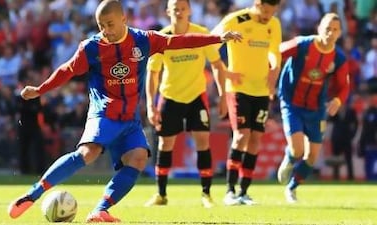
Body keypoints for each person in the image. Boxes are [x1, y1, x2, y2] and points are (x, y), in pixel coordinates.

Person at [7, 0, 242, 223]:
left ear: (124, 19)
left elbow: (179, 41)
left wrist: (217, 38)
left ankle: (100, 210)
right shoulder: (91, 47)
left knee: (138, 158)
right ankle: (32, 194)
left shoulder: (143, 40)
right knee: (88, 154)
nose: (106, 30)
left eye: (110, 24)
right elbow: (67, 70)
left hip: (130, 120)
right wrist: (40, 89)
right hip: (104, 115)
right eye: (101, 26)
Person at [143, 0, 241, 209]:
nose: (179, 12)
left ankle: (206, 194)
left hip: (197, 97)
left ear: (190, 11)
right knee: (165, 144)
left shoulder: (201, 33)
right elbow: (152, 74)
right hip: (170, 97)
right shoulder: (161, 38)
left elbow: (217, 65)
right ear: (168, 11)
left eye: (183, 8)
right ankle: (161, 194)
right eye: (175, 8)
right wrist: (151, 105)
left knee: (203, 142)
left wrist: (223, 96)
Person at [211, 0, 282, 205]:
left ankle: (244, 191)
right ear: (257, 4)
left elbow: (275, 52)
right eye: (266, 11)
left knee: (256, 138)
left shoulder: (274, 24)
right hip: (239, 89)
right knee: (242, 135)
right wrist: (225, 71)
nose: (268, 16)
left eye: (272, 12)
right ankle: (229, 191)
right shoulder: (236, 20)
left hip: (261, 91)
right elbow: (210, 44)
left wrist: (275, 69)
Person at [276, 13, 350, 203]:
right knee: (297, 149)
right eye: (327, 28)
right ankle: (290, 158)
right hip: (292, 103)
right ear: (319, 28)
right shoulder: (302, 44)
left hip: (316, 109)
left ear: (340, 33)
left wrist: (338, 101)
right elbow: (275, 54)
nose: (330, 33)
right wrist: (269, 75)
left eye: (335, 30)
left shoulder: (339, 57)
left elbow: (344, 86)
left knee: (312, 156)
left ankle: (292, 189)